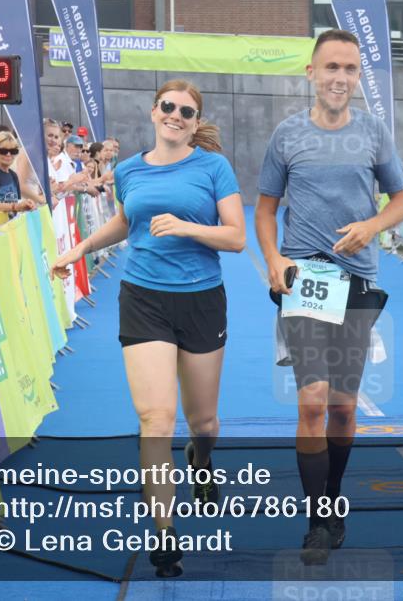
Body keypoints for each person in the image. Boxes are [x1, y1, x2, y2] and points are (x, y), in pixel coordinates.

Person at [52, 80, 245, 578]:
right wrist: (80, 249)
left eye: (187, 110)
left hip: (201, 300)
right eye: (168, 106)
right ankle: (164, 531)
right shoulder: (130, 170)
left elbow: (236, 237)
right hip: (143, 298)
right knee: (156, 418)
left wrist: (186, 227)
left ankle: (201, 459)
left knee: (203, 423)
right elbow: (124, 222)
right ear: (153, 111)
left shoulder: (213, 168)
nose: (176, 115)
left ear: (196, 122)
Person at [255, 29, 403, 564]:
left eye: (349, 69)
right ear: (311, 73)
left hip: (359, 284)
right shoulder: (287, 135)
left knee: (344, 410)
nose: (340, 78)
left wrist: (372, 225)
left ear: (357, 76)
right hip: (306, 281)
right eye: (331, 68)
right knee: (312, 401)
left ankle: (332, 497)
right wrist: (275, 260)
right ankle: (317, 519)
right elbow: (265, 209)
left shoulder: (374, 133)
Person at [0, 131, 38, 213]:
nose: (8, 154)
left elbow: (17, 203)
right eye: (3, 151)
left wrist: (27, 205)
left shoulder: (14, 176)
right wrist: (14, 207)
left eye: (13, 151)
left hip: (12, 224)